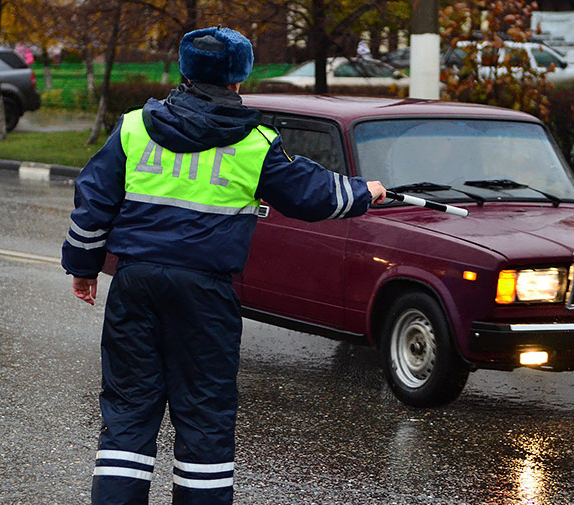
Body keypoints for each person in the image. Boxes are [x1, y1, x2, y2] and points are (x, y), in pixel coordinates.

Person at [61, 26, 386, 505]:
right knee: (204, 416)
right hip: (205, 295)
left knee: (129, 412)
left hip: (135, 283)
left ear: (184, 71)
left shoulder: (133, 127)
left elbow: (92, 203)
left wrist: (83, 268)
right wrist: (365, 193)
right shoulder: (254, 143)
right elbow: (310, 194)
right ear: (238, 80)